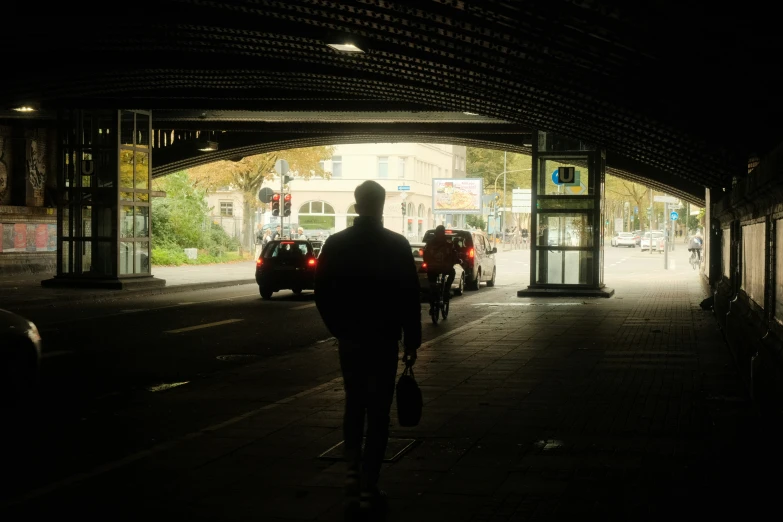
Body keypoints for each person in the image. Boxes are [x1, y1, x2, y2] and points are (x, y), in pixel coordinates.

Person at [314, 180, 421, 519]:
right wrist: (412, 340)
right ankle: (369, 481)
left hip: (352, 339)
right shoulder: (396, 244)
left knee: (354, 402)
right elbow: (409, 295)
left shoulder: (336, 243)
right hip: (385, 339)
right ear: (382, 205)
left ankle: (350, 467)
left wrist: (339, 328)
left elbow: (322, 291)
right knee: (378, 411)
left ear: (357, 205)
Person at [423, 225, 459, 312]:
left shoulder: (430, 243)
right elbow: (453, 256)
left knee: (432, 285)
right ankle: (446, 289)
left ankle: (432, 304)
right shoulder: (448, 244)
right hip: (445, 268)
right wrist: (456, 261)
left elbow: (425, 255)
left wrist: (428, 263)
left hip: (432, 268)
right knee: (452, 272)